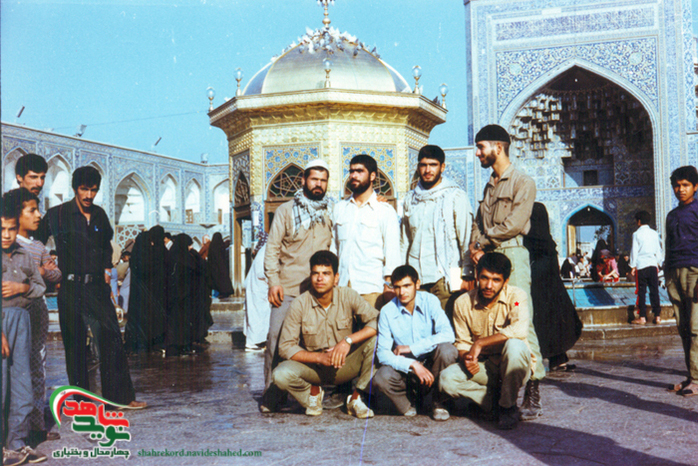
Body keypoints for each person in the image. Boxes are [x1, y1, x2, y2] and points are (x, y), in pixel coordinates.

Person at [35, 166, 146, 409]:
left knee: (112, 340)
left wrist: (106, 268)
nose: (88, 195)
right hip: (70, 288)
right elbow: (35, 241)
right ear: (75, 188)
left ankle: (119, 398)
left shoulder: (99, 214)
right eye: (84, 189)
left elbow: (106, 245)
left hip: (96, 288)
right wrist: (44, 264)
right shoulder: (58, 214)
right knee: (75, 346)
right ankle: (82, 401)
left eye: (93, 190)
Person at [467, 124, 545, 421]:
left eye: (481, 147)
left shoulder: (523, 182)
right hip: (489, 258)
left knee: (522, 320)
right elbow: (478, 222)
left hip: (512, 253)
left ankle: (533, 387)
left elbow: (514, 223)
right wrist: (476, 248)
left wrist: (482, 243)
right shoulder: (490, 186)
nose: (478, 153)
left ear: (498, 147)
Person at [268, 251, 377, 418]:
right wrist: (319, 358)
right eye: (315, 273)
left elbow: (377, 321)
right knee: (280, 374)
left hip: (344, 365)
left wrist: (347, 341)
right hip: (314, 369)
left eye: (326, 273)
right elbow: (285, 347)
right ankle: (312, 394)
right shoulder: (299, 304)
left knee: (376, 342)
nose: (320, 278)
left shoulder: (348, 295)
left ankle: (356, 397)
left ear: (336, 278)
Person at [263, 159, 333, 406]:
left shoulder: (331, 211)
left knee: (315, 341)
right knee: (276, 338)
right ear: (303, 180)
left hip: (319, 290)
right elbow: (272, 248)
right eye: (314, 179)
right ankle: (272, 393)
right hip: (289, 287)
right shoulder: (286, 210)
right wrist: (273, 281)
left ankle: (313, 390)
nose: (318, 184)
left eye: (323, 180)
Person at [439, 253, 534, 430]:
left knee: (515, 345)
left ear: (505, 281)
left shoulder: (516, 298)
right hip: (485, 367)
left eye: (496, 280)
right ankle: (493, 401)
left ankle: (507, 408)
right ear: (477, 276)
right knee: (446, 380)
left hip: (513, 366)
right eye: (484, 278)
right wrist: (467, 358)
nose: (489, 285)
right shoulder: (462, 303)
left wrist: (480, 343)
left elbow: (519, 329)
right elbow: (462, 342)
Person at [6, 188, 63, 444]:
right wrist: (39, 271)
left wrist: (46, 271)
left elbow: (56, 274)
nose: (39, 215)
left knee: (37, 364)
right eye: (32, 210)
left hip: (36, 311)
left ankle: (37, 425)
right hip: (14, 313)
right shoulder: (10, 244)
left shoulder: (38, 246)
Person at [373, 265, 457, 420]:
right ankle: (408, 404)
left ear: (417, 284)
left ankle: (438, 402)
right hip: (407, 370)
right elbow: (382, 354)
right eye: (397, 287)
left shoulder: (430, 300)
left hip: (432, 364)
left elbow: (448, 334)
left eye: (407, 286)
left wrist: (412, 348)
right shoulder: (387, 311)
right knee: (381, 377)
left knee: (448, 350)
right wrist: (412, 364)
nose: (402, 292)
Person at [2, 193, 48, 464]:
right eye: (2, 229)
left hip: (22, 321)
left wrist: (23, 287)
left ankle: (17, 443)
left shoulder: (24, 255)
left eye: (10, 229)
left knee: (22, 385)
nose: (6, 235)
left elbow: (40, 286)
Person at [400, 145, 474, 310]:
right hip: (416, 278)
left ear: (442, 167)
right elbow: (404, 241)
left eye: (433, 165)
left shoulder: (455, 196)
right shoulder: (410, 199)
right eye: (423, 165)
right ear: (418, 167)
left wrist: (467, 274)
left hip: (445, 278)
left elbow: (465, 238)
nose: (428, 170)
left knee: (446, 322)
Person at [332, 154, 400, 309]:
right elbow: (334, 248)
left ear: (372, 176)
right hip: (342, 288)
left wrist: (389, 286)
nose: (354, 176)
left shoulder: (384, 210)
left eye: (359, 171)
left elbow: (392, 252)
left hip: (371, 289)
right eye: (351, 171)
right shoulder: (340, 209)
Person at [524, 202, 582, 372]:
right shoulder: (548, 244)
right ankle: (558, 360)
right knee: (555, 323)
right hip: (552, 294)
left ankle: (547, 361)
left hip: (535, 293)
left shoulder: (526, 244)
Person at [664, 166, 698, 397]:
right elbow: (669, 245)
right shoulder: (672, 215)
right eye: (677, 185)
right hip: (675, 272)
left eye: (686, 185)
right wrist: (667, 274)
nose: (681, 189)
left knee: (696, 328)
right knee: (684, 327)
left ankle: (696, 379)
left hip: (694, 271)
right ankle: (692, 376)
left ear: (695, 187)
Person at [629, 211, 663, 325]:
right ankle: (657, 316)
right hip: (652, 265)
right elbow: (658, 249)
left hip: (641, 265)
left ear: (639, 221)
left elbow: (634, 251)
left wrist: (633, 266)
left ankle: (642, 317)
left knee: (641, 292)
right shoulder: (654, 233)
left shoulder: (636, 234)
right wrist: (659, 262)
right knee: (654, 291)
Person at [244, 232, 271, 352]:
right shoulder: (267, 250)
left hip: (257, 288)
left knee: (257, 316)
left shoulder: (264, 250)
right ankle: (253, 343)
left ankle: (256, 342)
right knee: (257, 317)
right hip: (258, 288)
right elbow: (262, 272)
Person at [208, 232, 234, 299]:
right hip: (222, 266)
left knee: (216, 280)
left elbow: (210, 257)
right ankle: (226, 292)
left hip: (214, 266)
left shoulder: (212, 246)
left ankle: (219, 292)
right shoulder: (221, 245)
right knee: (223, 280)